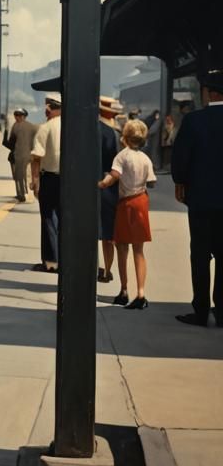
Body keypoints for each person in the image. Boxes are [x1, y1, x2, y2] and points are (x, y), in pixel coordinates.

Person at [171, 68, 223, 327]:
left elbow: (181, 156)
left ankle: (201, 311)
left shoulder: (194, 120)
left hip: (201, 199)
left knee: (200, 255)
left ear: (209, 93)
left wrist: (180, 181)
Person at [99, 119, 156, 309]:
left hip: (126, 203)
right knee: (139, 250)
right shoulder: (145, 158)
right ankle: (141, 293)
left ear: (125, 137)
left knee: (122, 248)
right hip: (141, 201)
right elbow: (152, 182)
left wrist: (102, 184)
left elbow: (114, 176)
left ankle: (124, 290)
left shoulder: (121, 156)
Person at [30, 93, 62, 272]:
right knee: (65, 218)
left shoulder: (46, 127)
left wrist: (35, 181)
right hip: (69, 180)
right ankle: (64, 258)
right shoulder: (72, 127)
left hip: (49, 178)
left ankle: (51, 261)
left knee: (49, 218)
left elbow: (37, 158)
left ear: (49, 108)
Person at [98, 97, 123, 284]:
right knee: (108, 234)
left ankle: (91, 266)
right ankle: (107, 270)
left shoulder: (86, 129)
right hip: (108, 186)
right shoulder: (112, 133)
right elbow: (116, 164)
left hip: (86, 185)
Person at [7, 108, 38, 202]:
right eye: (16, 115)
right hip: (30, 154)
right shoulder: (33, 127)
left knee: (19, 175)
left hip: (18, 154)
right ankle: (29, 194)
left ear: (23, 116)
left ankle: (21, 194)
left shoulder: (15, 126)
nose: (16, 117)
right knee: (28, 175)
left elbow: (11, 142)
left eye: (18, 115)